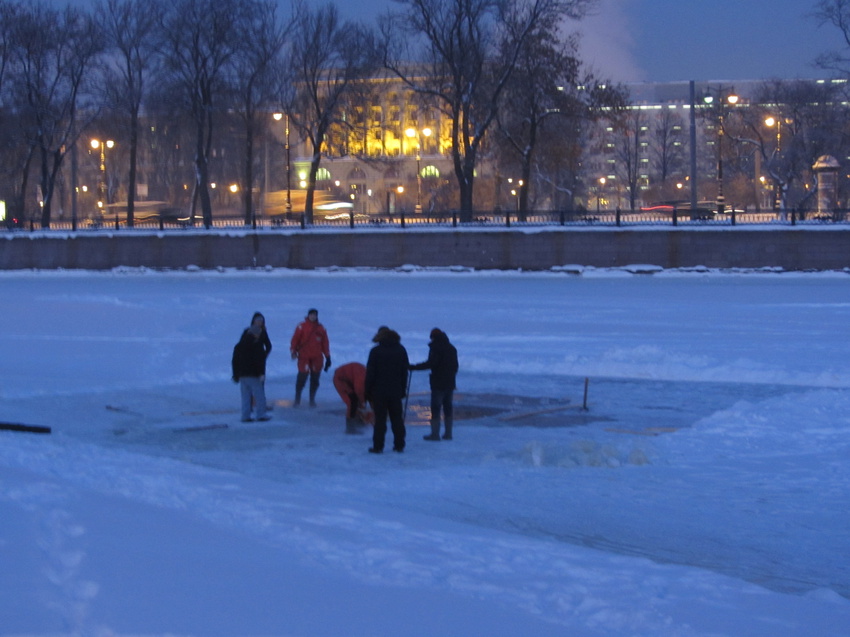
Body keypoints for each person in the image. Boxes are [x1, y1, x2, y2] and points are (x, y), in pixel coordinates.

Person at [365, 326, 409, 453]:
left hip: (379, 392)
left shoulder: (376, 351)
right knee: (397, 419)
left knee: (380, 420)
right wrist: (402, 389)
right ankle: (399, 445)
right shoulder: (401, 350)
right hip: (395, 391)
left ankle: (378, 446)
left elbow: (370, 373)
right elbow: (404, 372)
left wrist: (367, 391)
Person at [411, 328, 459, 440]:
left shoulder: (436, 348)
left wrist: (414, 367)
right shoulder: (452, 348)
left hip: (438, 382)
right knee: (448, 407)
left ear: (433, 337)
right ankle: (448, 433)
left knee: (436, 407)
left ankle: (435, 434)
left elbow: (431, 363)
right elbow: (455, 366)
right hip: (450, 382)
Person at [289, 308, 331, 407]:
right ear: (308, 316)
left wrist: (328, 357)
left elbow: (325, 344)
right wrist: (293, 351)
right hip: (304, 357)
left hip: (317, 358)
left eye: (314, 315)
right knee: (302, 378)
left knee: (315, 380)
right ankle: (297, 399)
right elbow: (294, 340)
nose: (313, 317)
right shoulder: (301, 327)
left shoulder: (321, 328)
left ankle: (312, 399)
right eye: (311, 315)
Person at [232, 324, 271, 422]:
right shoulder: (256, 344)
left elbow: (234, 361)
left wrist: (236, 375)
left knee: (245, 397)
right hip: (253, 375)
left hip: (242, 375)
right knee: (259, 395)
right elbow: (259, 361)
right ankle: (261, 414)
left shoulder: (239, 345)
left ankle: (245, 416)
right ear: (256, 334)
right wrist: (261, 373)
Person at [332, 362, 374, 434]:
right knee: (352, 402)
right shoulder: (363, 377)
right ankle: (350, 428)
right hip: (340, 380)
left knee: (363, 398)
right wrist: (362, 405)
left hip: (350, 380)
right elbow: (359, 391)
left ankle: (358, 420)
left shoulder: (369, 378)